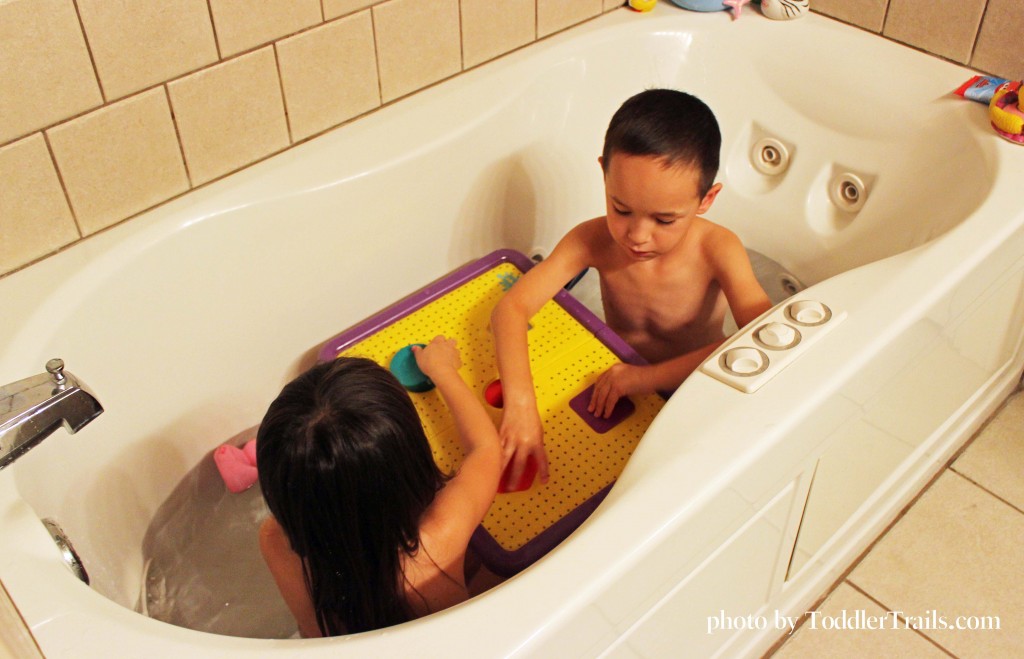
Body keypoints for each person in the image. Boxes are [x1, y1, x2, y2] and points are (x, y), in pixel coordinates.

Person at [491, 88, 772, 489]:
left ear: (706, 199)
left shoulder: (717, 249)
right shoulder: (590, 240)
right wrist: (520, 403)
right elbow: (511, 309)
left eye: (664, 219)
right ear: (604, 172)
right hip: (621, 386)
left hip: (698, 385)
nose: (637, 235)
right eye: (620, 209)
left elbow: (759, 339)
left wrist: (647, 378)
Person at [257, 336, 502, 637]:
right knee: (500, 568)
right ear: (412, 466)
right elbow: (486, 450)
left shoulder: (273, 540)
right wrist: (442, 369)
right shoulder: (438, 537)